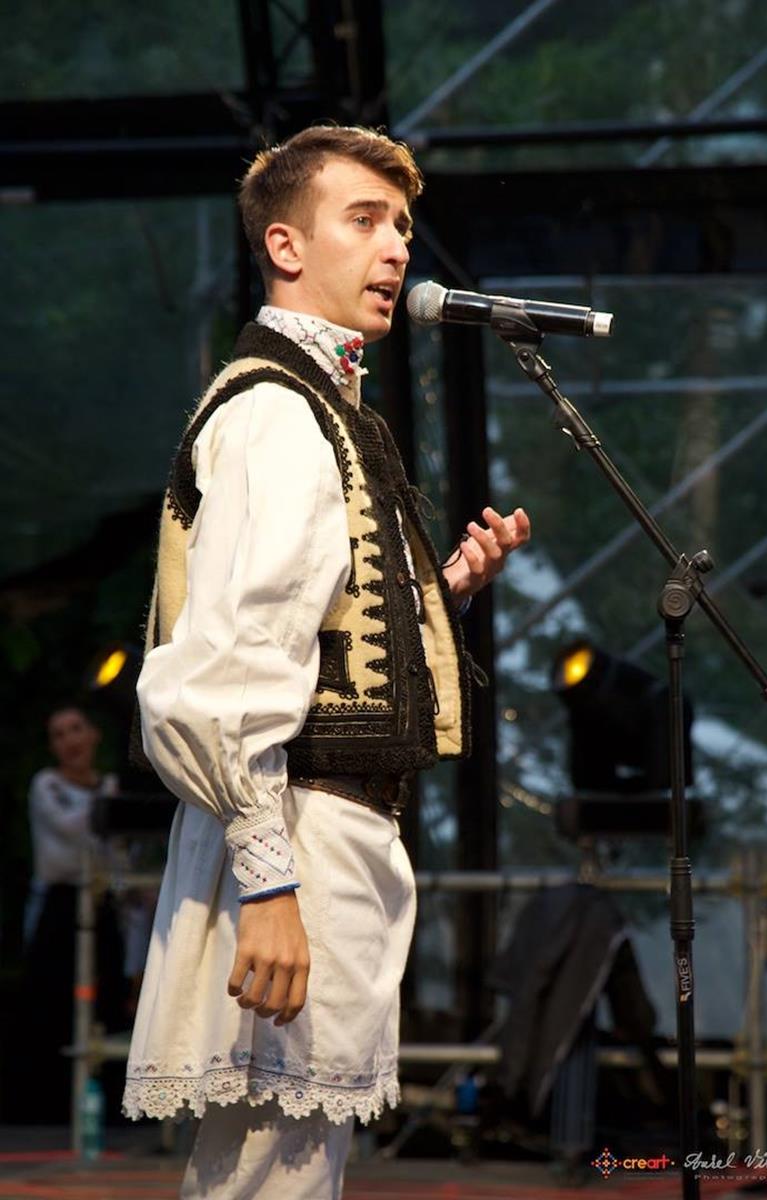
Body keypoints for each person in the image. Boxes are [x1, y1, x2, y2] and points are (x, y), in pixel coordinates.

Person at [123, 124, 530, 1198]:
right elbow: (225, 667)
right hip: (290, 825)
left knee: (284, 1169)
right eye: (364, 220)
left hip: (318, 825)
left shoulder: (326, 410)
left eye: (402, 226)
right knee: (274, 1174)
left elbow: (306, 632)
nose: (396, 247)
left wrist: (437, 596)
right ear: (286, 246)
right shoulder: (278, 414)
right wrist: (271, 883)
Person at [23, 704, 126, 1120]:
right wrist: (106, 803)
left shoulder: (110, 785)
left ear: (93, 735)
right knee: (51, 1002)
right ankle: (47, 1108)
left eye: (76, 729)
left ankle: (109, 1106)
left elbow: (116, 850)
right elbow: (72, 828)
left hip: (102, 901)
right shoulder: (46, 784)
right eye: (59, 734)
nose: (70, 741)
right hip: (60, 903)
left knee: (108, 997)